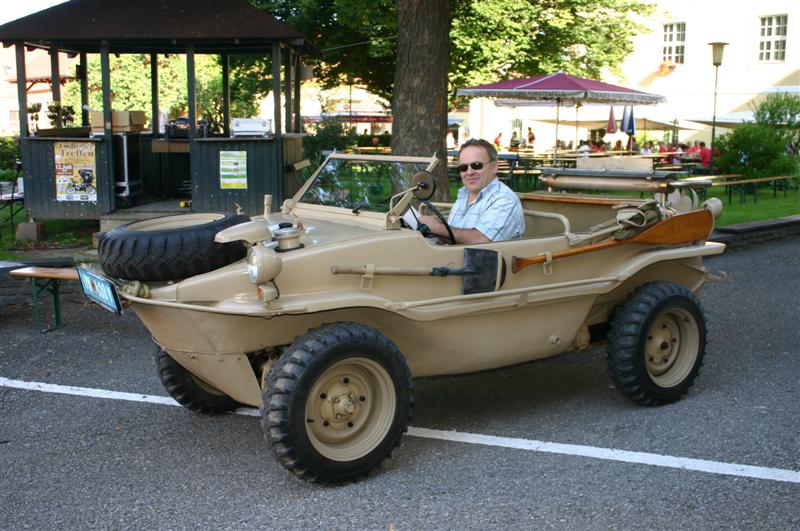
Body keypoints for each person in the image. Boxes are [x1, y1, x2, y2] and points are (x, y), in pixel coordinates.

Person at [419, 138, 524, 244]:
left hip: (483, 260)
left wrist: (437, 228)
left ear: (494, 167)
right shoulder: (464, 195)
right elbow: (455, 238)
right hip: (453, 258)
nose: (469, 172)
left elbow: (483, 241)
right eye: (463, 167)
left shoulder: (504, 199)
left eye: (476, 165)